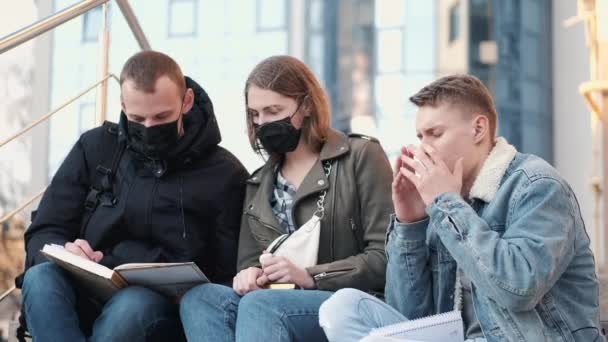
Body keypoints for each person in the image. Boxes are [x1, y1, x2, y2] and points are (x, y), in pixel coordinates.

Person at [319, 74, 604, 342]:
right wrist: (410, 225)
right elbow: (410, 319)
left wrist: (447, 204)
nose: (422, 149)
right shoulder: (441, 204)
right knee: (343, 308)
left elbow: (518, 289)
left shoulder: (536, 186)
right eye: (420, 137)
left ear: (478, 129)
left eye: (435, 134)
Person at [20, 50, 248, 341]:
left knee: (133, 306)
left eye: (162, 116)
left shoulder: (225, 174)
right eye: (138, 118)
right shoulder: (96, 147)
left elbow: (230, 271)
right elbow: (43, 231)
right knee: (40, 277)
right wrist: (65, 249)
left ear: (186, 101)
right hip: (87, 286)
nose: (149, 128)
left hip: (159, 307)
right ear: (123, 105)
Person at [179, 55, 394, 341]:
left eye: (273, 110)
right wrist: (250, 275)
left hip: (346, 304)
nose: (262, 122)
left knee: (260, 305)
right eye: (255, 113)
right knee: (201, 298)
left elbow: (384, 257)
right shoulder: (258, 183)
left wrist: (310, 275)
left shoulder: (360, 156)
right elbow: (249, 263)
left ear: (305, 106)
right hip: (276, 300)